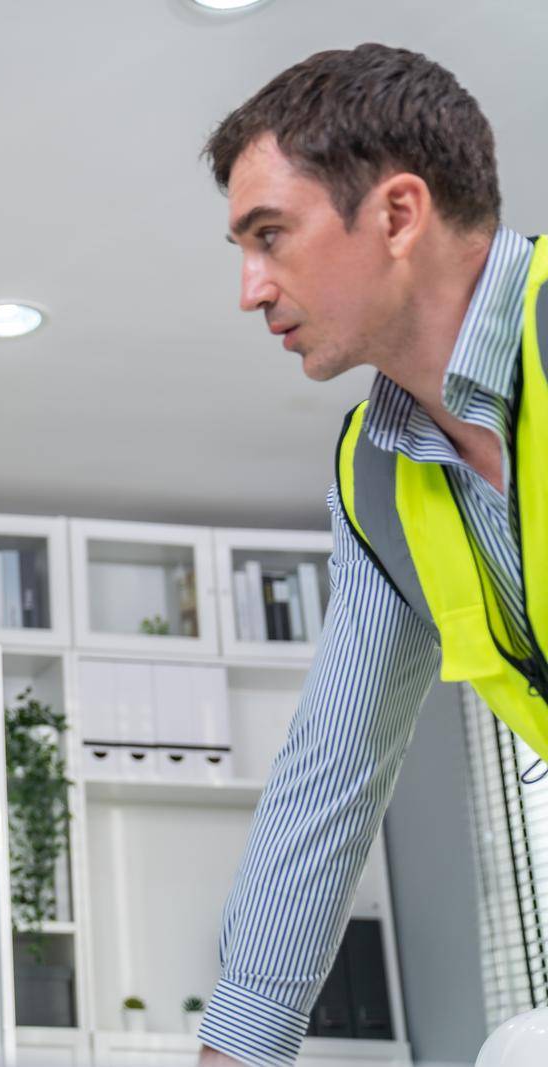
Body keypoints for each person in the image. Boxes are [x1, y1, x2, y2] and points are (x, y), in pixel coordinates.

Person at [196, 44, 539, 1066]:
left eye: (270, 236)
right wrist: (238, 1049)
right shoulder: (376, 471)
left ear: (396, 213)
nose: (249, 289)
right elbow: (332, 768)